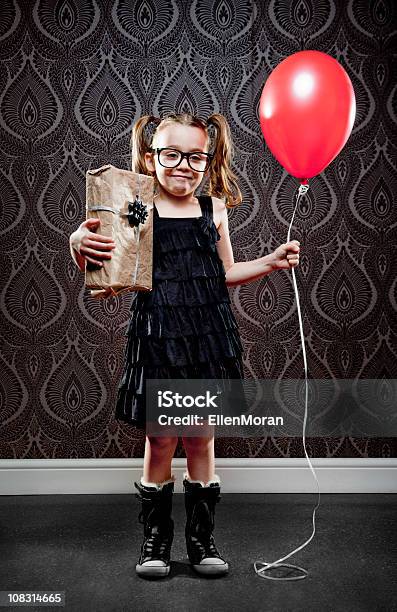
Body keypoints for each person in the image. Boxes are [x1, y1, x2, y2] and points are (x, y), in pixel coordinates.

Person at [69, 112, 300, 579]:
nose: (183, 165)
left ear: (209, 160)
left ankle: (201, 541)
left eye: (195, 156)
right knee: (160, 440)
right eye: (171, 154)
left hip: (206, 337)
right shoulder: (134, 205)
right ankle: (155, 542)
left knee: (199, 437)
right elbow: (103, 265)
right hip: (157, 335)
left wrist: (270, 263)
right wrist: (77, 240)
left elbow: (224, 273)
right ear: (151, 157)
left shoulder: (214, 208)